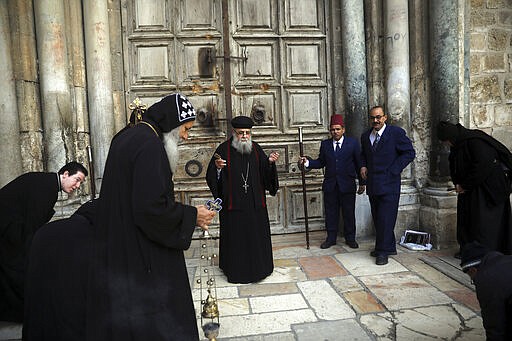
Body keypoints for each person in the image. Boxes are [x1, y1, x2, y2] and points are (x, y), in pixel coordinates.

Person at [86, 93, 216, 340]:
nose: (186, 137)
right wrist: (192, 216)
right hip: (140, 250)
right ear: (171, 124)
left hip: (119, 241)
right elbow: (150, 210)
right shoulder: (150, 146)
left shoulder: (126, 136)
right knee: (160, 312)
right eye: (186, 129)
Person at [0, 161, 88, 322]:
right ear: (66, 174)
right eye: (77, 179)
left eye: (81, 183)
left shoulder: (46, 183)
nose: (77, 186)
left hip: (10, 231)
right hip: (7, 232)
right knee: (22, 270)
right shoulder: (47, 188)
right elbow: (32, 225)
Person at [206, 116, 279, 284]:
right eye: (241, 133)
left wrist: (269, 162)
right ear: (234, 133)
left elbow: (265, 173)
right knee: (236, 240)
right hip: (233, 208)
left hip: (255, 207)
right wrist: (217, 169)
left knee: (256, 237)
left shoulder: (256, 148)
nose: (244, 136)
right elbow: (212, 176)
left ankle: (261, 268)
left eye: (247, 133)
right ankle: (235, 270)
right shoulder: (223, 150)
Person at [23, 199, 97, 341]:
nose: (77, 186)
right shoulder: (88, 236)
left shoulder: (48, 230)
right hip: (68, 319)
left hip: (38, 317)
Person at [437, 121, 512, 258]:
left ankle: (486, 253)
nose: (447, 144)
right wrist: (459, 183)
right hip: (472, 189)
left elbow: (483, 165)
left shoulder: (475, 141)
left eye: (447, 141)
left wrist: (465, 185)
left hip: (488, 191)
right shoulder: (460, 143)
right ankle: (469, 250)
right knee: (468, 220)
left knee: (483, 224)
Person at [299, 114, 365, 249]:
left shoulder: (352, 143)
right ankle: (331, 238)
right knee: (331, 213)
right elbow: (321, 162)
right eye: (333, 129)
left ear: (343, 129)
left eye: (338, 129)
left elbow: (359, 163)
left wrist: (363, 183)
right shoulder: (325, 144)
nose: (335, 132)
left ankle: (350, 238)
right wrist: (308, 163)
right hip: (330, 186)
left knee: (348, 212)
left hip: (347, 185)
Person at [360, 106, 415, 265]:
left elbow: (409, 153)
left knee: (386, 218)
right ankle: (389, 246)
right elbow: (363, 154)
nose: (375, 121)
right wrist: (363, 166)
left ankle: (382, 252)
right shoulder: (365, 136)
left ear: (385, 118)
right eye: (372, 118)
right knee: (378, 218)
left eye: (378, 117)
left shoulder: (395, 133)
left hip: (389, 184)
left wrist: (394, 170)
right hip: (373, 185)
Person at [461, 241, 512, 340]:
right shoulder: (507, 260)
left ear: (472, 270)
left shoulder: (485, 278)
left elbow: (494, 324)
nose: (473, 281)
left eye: (472, 278)